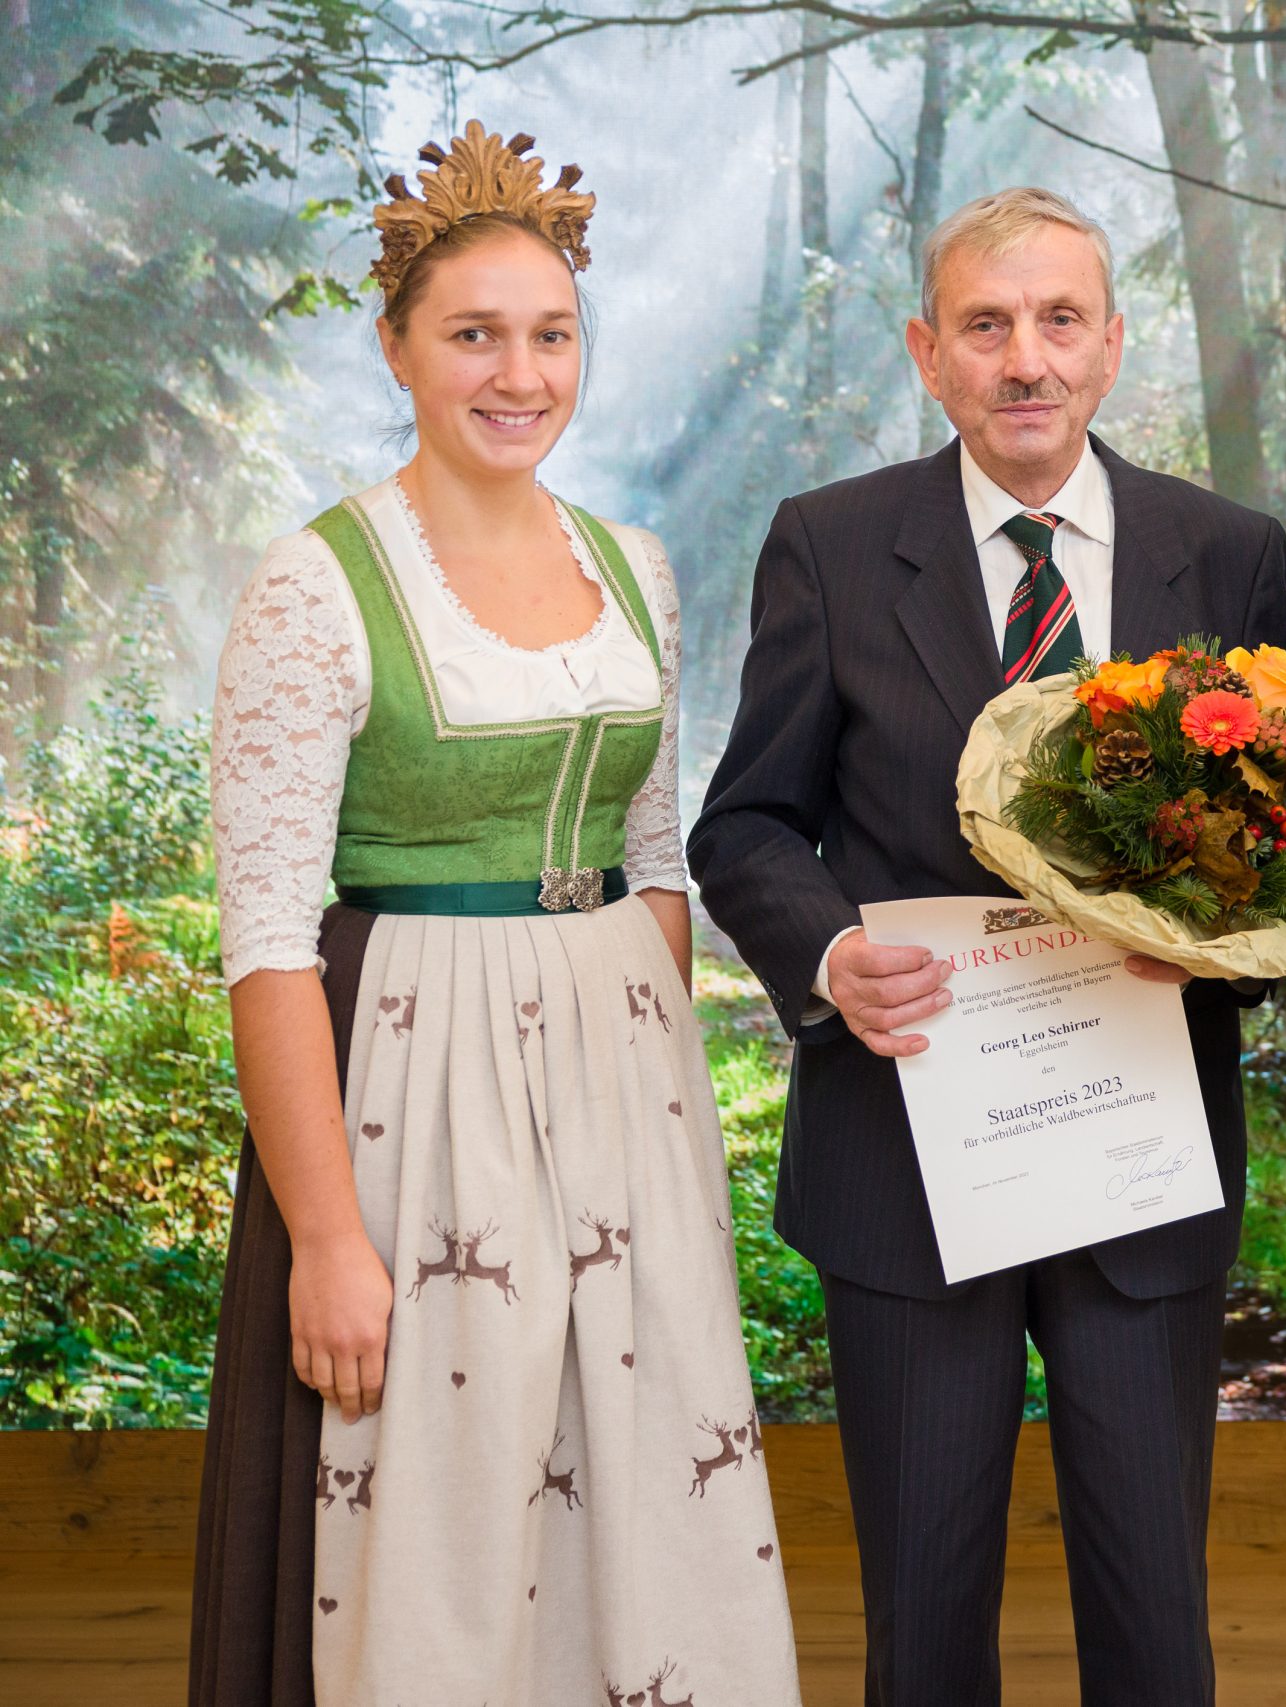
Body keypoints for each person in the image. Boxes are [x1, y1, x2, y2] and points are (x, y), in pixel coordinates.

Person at [192, 124, 799, 1706]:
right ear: (398, 347)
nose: (517, 374)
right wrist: (328, 1238)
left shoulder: (635, 567)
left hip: (615, 1086)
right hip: (414, 1076)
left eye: (549, 335)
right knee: (444, 1496)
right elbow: (264, 940)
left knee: (642, 1466)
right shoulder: (315, 586)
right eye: (473, 335)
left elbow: (655, 861)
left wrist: (656, 1121)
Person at [686, 186, 1286, 1706]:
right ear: (929, 352)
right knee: (924, 1620)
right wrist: (828, 960)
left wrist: (1223, 942)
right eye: (986, 324)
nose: (1025, 358)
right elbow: (745, 826)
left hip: (1139, 1153)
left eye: (1058, 320)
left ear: (1109, 346)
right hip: (908, 1159)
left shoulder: (1224, 553)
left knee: (1158, 1623)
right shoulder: (829, 547)